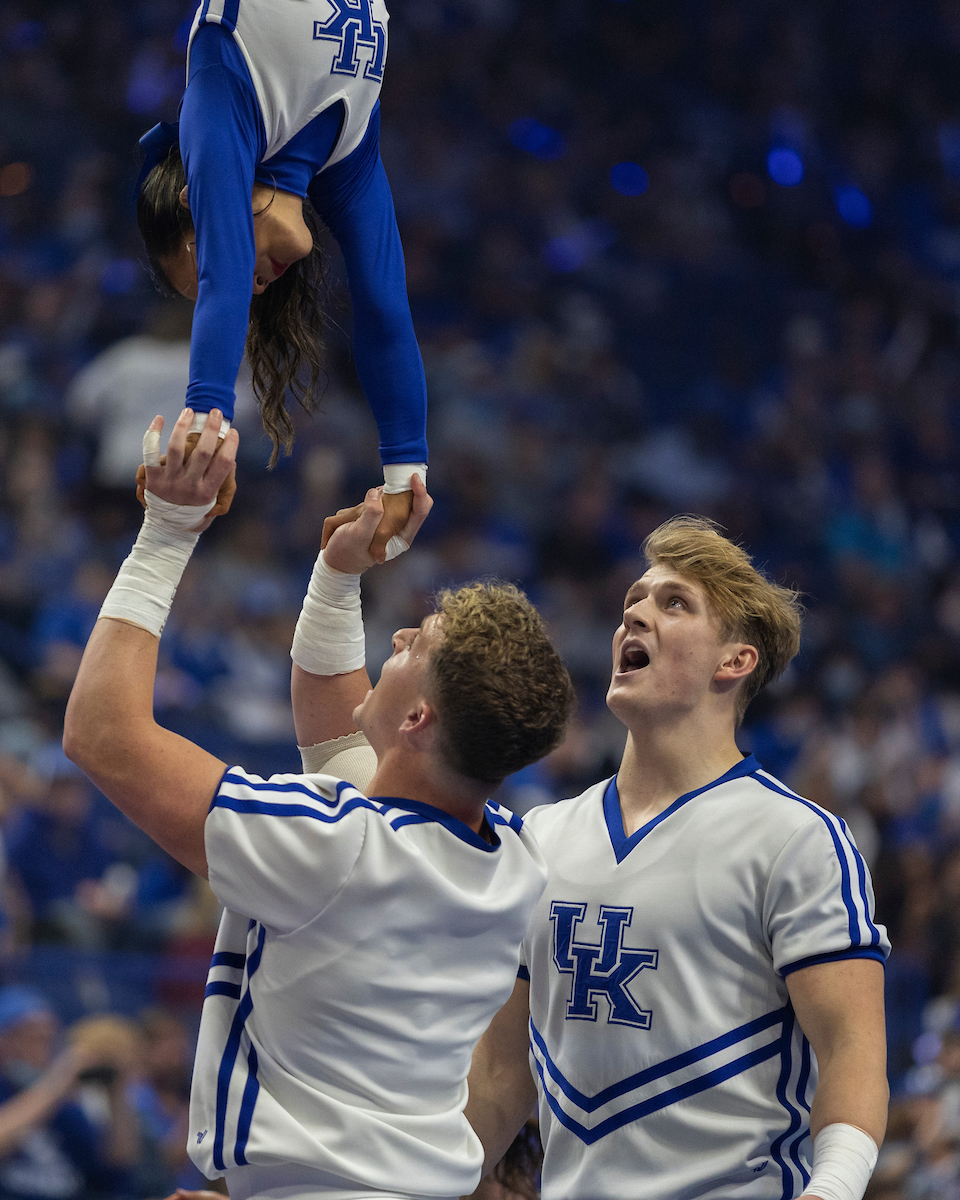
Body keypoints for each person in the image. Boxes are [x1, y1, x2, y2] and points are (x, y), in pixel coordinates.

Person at [63, 408, 576, 1200]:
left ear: (417, 720)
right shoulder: (514, 860)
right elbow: (342, 742)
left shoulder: (336, 847)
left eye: (418, 645)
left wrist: (167, 531)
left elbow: (101, 732)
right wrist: (338, 576)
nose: (400, 635)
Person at [465, 516, 890, 1200]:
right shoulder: (541, 837)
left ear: (735, 661)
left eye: (674, 603)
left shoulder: (797, 838)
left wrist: (832, 1190)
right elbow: (499, 1072)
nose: (635, 612)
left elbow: (852, 1048)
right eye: (634, 599)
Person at [135, 0, 427, 557]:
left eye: (205, 257)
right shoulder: (346, 157)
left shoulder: (216, 98)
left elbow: (222, 283)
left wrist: (206, 430)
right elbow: (386, 311)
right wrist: (404, 478)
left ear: (195, 199)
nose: (249, 287)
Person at [0, 986, 140, 1200]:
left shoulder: (64, 1108)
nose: (43, 1050)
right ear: (5, 1041)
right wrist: (59, 1080)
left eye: (48, 1040)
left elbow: (118, 1161)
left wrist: (117, 1095)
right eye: (33, 1039)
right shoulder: (39, 1094)